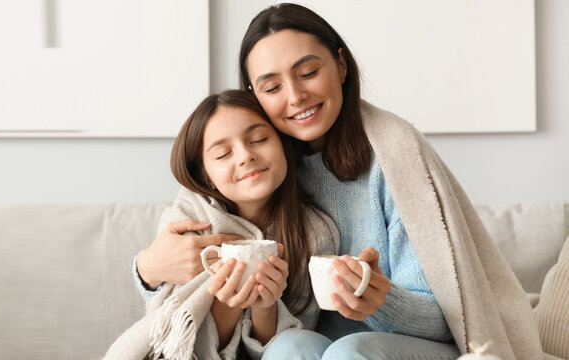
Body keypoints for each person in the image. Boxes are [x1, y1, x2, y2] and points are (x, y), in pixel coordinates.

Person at [136, 3, 543, 359]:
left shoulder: (392, 153)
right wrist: (146, 268)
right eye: (273, 86)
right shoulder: (255, 165)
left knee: (350, 351)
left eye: (309, 72)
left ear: (341, 66)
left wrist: (382, 300)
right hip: (313, 349)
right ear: (253, 95)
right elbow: (180, 286)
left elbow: (455, 315)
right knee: (286, 349)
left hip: (411, 347)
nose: (295, 96)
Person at [109, 90, 337, 360]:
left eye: (259, 139)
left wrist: (265, 309)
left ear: (282, 143)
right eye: (222, 154)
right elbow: (169, 326)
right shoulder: (187, 218)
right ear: (205, 175)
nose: (245, 156)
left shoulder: (316, 232)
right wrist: (225, 305)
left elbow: (295, 348)